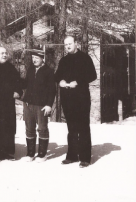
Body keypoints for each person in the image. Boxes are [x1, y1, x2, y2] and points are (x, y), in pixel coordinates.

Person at [55, 35, 97, 168]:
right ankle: (72, 156)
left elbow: (92, 75)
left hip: (81, 98)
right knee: (71, 127)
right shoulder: (64, 60)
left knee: (83, 127)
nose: (68, 46)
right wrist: (60, 81)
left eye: (70, 44)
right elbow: (57, 75)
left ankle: (85, 158)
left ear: (76, 44)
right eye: (66, 44)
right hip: (67, 99)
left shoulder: (85, 58)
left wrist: (77, 82)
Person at [22, 50, 56, 162]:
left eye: (36, 57)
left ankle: (42, 154)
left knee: (42, 128)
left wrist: (49, 105)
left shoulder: (49, 71)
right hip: (28, 104)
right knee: (29, 128)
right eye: (33, 58)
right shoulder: (31, 69)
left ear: (42, 58)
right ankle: (30, 153)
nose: (34, 60)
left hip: (41, 105)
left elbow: (52, 90)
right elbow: (25, 84)